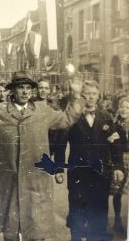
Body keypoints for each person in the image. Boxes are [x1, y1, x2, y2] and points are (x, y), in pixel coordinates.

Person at [0, 71, 84, 241]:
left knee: (36, 231)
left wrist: (77, 95)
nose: (25, 92)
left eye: (28, 88)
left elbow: (67, 118)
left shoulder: (42, 111)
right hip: (9, 182)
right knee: (11, 231)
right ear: (13, 90)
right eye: (21, 87)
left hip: (35, 182)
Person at [56, 80, 124, 241]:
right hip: (78, 174)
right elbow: (60, 144)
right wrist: (58, 169)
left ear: (99, 96)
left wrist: (118, 166)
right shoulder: (73, 117)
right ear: (82, 95)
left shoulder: (106, 117)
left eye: (94, 94)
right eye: (87, 93)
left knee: (99, 214)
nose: (91, 97)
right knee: (77, 214)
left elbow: (115, 144)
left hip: (101, 175)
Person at [111, 96, 129, 235]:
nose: (124, 109)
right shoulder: (115, 124)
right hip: (120, 160)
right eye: (122, 107)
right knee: (117, 191)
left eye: (128, 107)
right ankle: (117, 219)